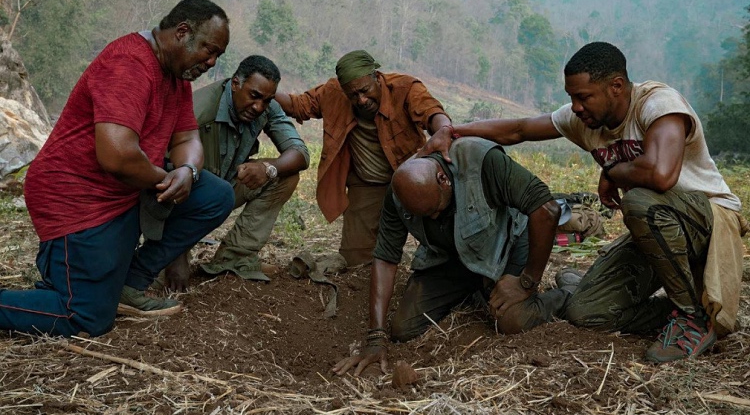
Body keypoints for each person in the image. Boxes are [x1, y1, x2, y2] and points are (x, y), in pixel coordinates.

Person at [420, 41, 747, 363]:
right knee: (586, 312)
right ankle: (676, 311)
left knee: (641, 204)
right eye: (571, 98)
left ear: (616, 86)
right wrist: (452, 131)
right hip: (658, 235)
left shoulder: (658, 104)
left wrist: (614, 172)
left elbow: (662, 176)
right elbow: (518, 130)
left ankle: (692, 318)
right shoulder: (585, 120)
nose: (576, 106)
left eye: (583, 97)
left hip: (708, 221)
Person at [0, 0, 235, 338]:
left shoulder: (177, 77)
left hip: (125, 191)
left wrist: (187, 173)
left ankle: (129, 284)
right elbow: (117, 156)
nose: (211, 63)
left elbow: (188, 140)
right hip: (77, 196)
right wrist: (165, 179)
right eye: (209, 50)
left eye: (218, 56)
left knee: (214, 195)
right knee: (85, 317)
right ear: (182, 32)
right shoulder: (129, 63)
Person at [332, 137, 563, 376]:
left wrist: (526, 282)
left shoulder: (481, 161)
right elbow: (386, 257)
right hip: (452, 256)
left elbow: (547, 210)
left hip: (507, 243)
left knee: (512, 320)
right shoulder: (399, 191)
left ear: (443, 179)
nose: (433, 219)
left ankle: (566, 294)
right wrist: (376, 337)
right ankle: (478, 286)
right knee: (404, 328)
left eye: (435, 210)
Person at [275, 50, 451, 266]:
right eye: (353, 95)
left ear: (377, 77)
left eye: (365, 91)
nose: (362, 100)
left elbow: (431, 111)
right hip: (367, 185)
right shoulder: (334, 92)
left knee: (441, 246)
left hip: (412, 180)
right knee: (355, 260)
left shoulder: (405, 88)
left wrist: (443, 130)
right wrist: (266, 90)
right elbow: (298, 105)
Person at [163, 55, 309, 291]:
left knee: (285, 173)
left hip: (224, 190)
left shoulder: (266, 107)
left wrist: (268, 168)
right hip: (184, 201)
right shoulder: (198, 111)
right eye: (254, 97)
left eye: (267, 100)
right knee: (158, 277)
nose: (259, 107)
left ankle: (234, 257)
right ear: (235, 84)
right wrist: (176, 253)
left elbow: (300, 153)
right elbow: (165, 180)